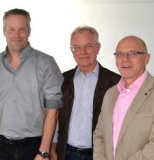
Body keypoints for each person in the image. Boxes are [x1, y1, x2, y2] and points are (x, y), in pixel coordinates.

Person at [0, 8, 63, 160]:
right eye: (11, 29)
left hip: (34, 147)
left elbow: (53, 110)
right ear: (4, 31)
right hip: (0, 146)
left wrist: (44, 151)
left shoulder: (46, 63)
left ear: (29, 31)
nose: (16, 35)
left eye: (22, 29)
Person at [93, 35, 154, 160]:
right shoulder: (110, 94)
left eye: (133, 53)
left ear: (146, 58)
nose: (125, 59)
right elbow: (99, 135)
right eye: (119, 54)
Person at [50, 26, 121, 160]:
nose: (82, 52)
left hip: (100, 154)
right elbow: (56, 116)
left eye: (88, 46)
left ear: (98, 48)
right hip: (66, 154)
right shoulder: (62, 80)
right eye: (76, 47)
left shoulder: (115, 82)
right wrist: (52, 148)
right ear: (72, 51)